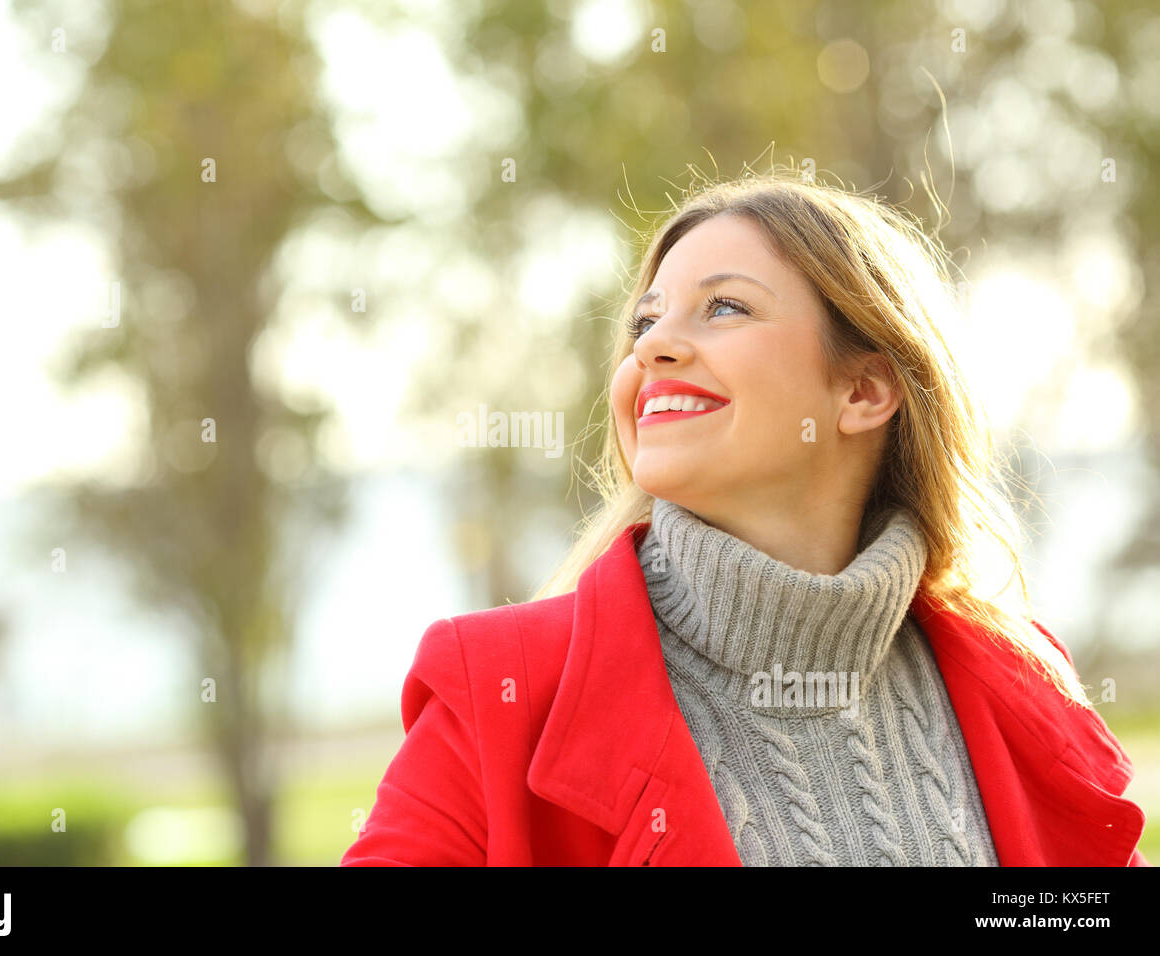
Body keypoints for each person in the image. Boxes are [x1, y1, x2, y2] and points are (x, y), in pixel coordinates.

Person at [340, 171, 1149, 866]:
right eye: (645, 322)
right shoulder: (497, 693)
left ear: (864, 391)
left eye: (723, 308)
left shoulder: (1024, 679)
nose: (653, 348)